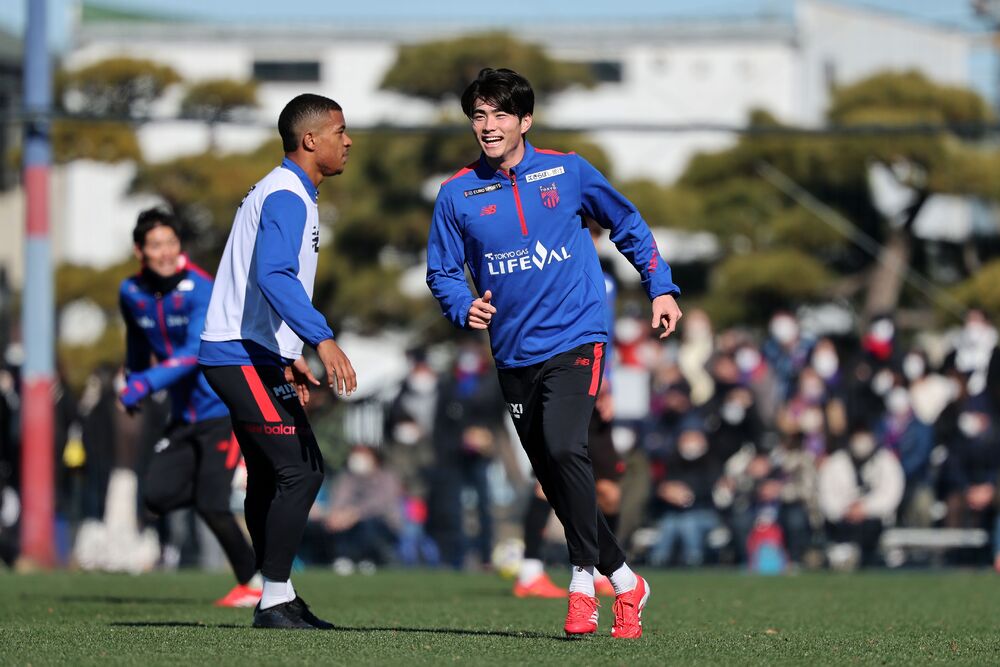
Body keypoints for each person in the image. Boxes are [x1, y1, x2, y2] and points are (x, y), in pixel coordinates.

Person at [426, 68, 681, 639]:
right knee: (553, 474)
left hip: (576, 336)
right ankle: (627, 580)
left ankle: (582, 583)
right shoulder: (456, 193)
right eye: (479, 115)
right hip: (512, 353)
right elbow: (441, 271)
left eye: (500, 114)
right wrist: (462, 304)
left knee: (567, 448)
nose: (488, 126)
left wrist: (660, 287)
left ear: (526, 121)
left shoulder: (568, 171)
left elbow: (626, 221)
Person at [198, 93, 357, 630]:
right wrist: (322, 340)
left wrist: (288, 355)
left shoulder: (290, 191)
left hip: (255, 354)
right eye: (339, 131)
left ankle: (276, 596)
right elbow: (272, 276)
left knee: (274, 474)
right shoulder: (287, 194)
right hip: (237, 354)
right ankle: (272, 598)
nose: (348, 141)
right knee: (299, 471)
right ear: (310, 140)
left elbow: (261, 284)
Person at [118, 208, 259, 607]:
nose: (165, 252)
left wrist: (145, 382)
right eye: (155, 245)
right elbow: (137, 342)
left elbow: (193, 351)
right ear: (140, 251)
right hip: (182, 417)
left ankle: (253, 583)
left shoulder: (201, 288)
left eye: (171, 243)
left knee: (212, 504)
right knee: (155, 498)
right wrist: (133, 378)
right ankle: (213, 481)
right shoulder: (131, 292)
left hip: (221, 412)